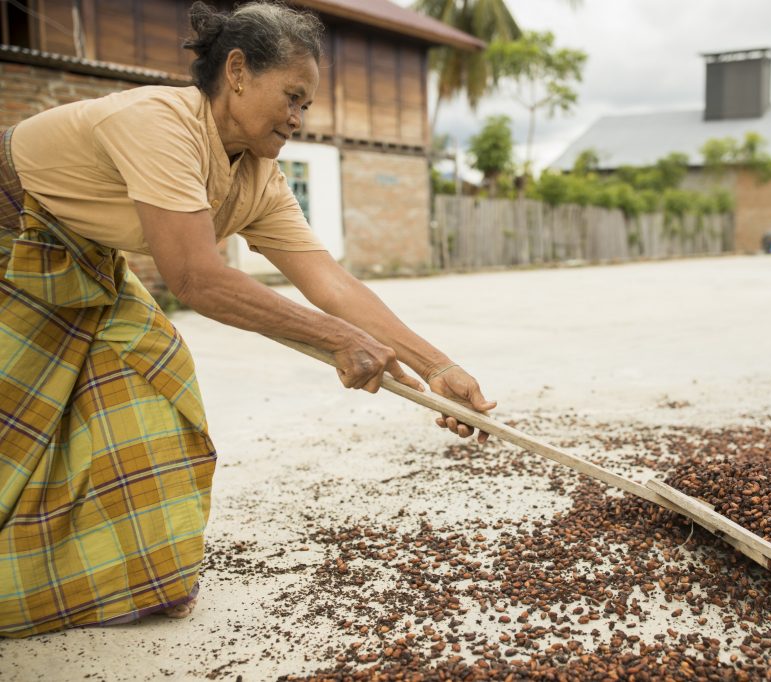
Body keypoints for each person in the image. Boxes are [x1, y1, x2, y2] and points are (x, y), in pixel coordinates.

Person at [0, 1, 494, 637]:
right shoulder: (160, 124)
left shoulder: (259, 176)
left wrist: (439, 369)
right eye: (290, 96)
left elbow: (331, 281)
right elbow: (197, 280)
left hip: (79, 257)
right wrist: (339, 340)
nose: (296, 118)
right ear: (236, 71)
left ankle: (134, 577)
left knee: (148, 378)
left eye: (305, 106)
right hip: (13, 236)